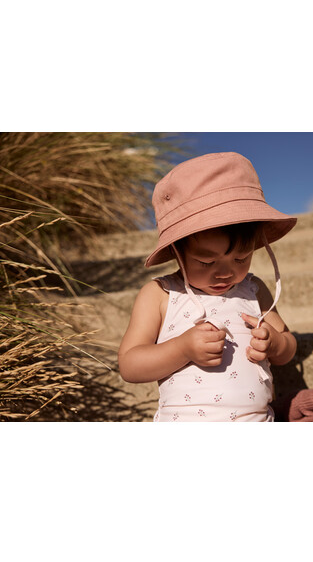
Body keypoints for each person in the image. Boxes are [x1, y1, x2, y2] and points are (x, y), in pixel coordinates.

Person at [118, 151, 298, 421]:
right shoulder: (161, 294)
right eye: (206, 262)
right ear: (176, 250)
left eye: (241, 258)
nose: (225, 272)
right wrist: (182, 349)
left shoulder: (253, 289)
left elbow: (289, 346)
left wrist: (275, 344)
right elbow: (129, 365)